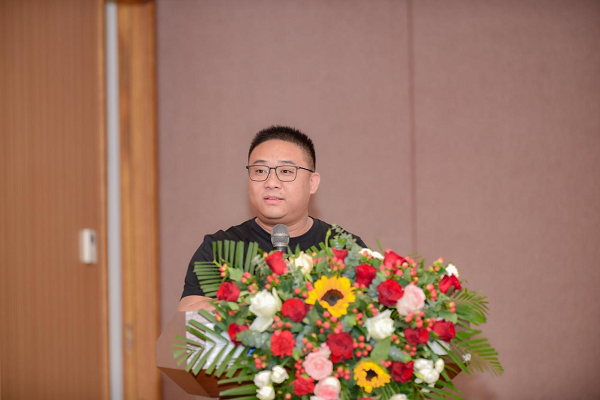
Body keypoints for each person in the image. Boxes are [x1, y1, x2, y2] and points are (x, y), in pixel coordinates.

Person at [178, 126, 366, 312]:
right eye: (260, 171)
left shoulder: (344, 249)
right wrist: (264, 305)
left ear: (312, 183)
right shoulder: (219, 249)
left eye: (286, 171)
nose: (271, 183)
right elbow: (188, 313)